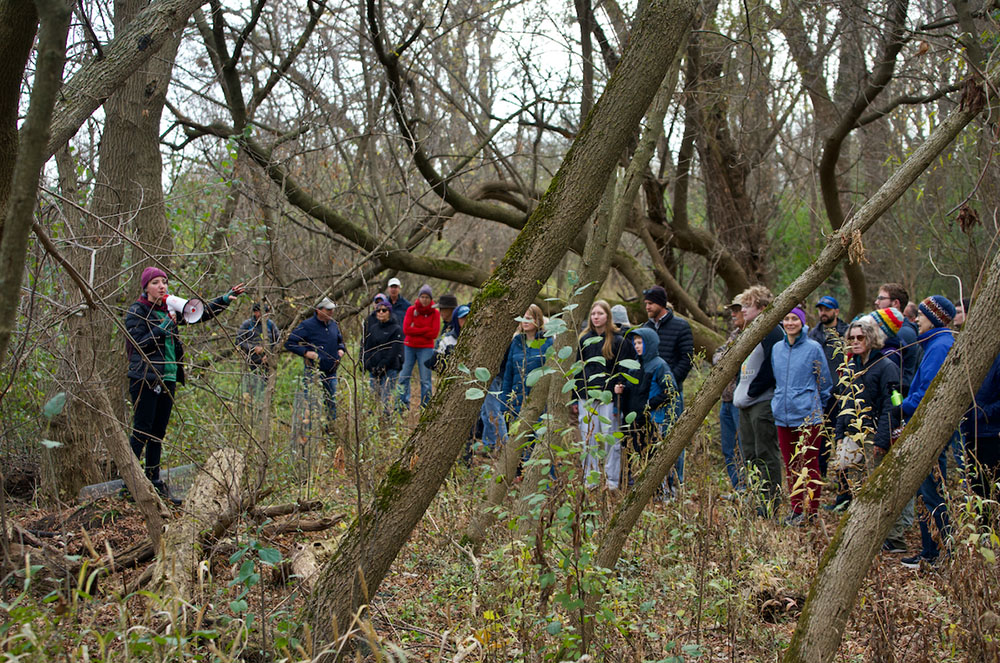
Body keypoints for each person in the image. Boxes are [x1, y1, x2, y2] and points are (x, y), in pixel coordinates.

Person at [125, 267, 244, 497]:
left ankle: (153, 480)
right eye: (156, 282)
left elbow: (198, 313)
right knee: (142, 430)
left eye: (164, 282)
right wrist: (164, 327)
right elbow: (139, 343)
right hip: (145, 377)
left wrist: (224, 299)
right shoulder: (137, 311)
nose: (162, 286)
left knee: (158, 433)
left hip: (168, 377)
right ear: (145, 287)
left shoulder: (169, 309)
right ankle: (129, 483)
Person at [900, 295, 956, 568]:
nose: (916, 319)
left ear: (933, 317)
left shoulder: (940, 346)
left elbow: (927, 393)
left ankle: (938, 552)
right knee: (926, 492)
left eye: (921, 315)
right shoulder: (933, 344)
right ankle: (931, 550)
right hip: (924, 427)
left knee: (931, 492)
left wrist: (902, 407)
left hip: (930, 430)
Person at [831, 316, 902, 532]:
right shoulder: (851, 366)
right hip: (852, 434)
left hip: (874, 435)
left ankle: (884, 532)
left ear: (870, 338)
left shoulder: (886, 365)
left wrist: (881, 439)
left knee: (875, 486)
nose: (855, 341)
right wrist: (840, 434)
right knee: (854, 483)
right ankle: (859, 528)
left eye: (860, 337)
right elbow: (845, 401)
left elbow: (894, 404)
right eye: (851, 337)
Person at [771, 307, 832, 526]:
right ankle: (797, 509)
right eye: (786, 318)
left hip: (808, 417)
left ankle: (811, 511)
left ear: (803, 322)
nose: (790, 323)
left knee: (810, 464)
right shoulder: (777, 348)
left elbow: (824, 382)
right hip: (782, 415)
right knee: (790, 465)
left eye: (794, 319)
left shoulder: (813, 348)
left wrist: (815, 407)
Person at [732, 285, 785, 517]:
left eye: (747, 305)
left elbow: (772, 366)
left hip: (761, 402)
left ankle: (770, 504)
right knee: (750, 454)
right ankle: (755, 501)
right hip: (744, 402)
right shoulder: (748, 331)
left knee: (765, 453)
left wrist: (753, 390)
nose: (742, 310)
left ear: (762, 308)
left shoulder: (772, 331)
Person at [615, 327, 683, 497]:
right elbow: (632, 389)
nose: (637, 346)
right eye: (635, 343)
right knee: (636, 454)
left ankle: (663, 492)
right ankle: (643, 491)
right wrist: (622, 390)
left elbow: (670, 391)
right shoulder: (634, 365)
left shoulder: (659, 365)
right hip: (634, 419)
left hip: (653, 419)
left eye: (640, 342)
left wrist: (649, 405)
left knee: (654, 456)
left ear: (650, 343)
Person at [571, 300, 631, 489]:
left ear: (608, 316)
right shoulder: (584, 339)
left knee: (610, 438)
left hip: (608, 397)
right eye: (594, 314)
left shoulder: (618, 341)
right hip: (586, 397)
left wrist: (619, 387)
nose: (596, 317)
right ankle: (591, 479)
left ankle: (612, 481)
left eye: (600, 314)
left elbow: (623, 370)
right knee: (588, 439)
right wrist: (575, 397)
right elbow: (578, 370)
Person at [642, 285, 693, 486]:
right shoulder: (645, 328)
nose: (647, 307)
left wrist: (669, 383)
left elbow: (686, 359)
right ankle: (655, 486)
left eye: (651, 303)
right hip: (650, 396)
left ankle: (674, 484)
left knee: (671, 441)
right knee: (651, 441)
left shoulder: (680, 326)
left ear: (661, 304)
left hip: (672, 396)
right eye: (646, 303)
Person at [285, 297, 347, 422]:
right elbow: (289, 343)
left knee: (331, 402)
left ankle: (330, 431)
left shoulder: (333, 324)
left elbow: (340, 341)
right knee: (311, 403)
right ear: (319, 310)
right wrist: (306, 352)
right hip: (313, 372)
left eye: (332, 309)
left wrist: (341, 350)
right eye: (328, 309)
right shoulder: (307, 325)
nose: (331, 312)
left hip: (331, 372)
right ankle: (310, 432)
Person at [809, 294, 848, 478]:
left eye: (827, 309)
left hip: (841, 394)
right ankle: (820, 475)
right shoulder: (813, 335)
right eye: (821, 309)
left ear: (836, 311)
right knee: (820, 438)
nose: (823, 313)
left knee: (841, 437)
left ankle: (844, 482)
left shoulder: (846, 333)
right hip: (820, 395)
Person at [713, 298, 745, 491]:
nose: (733, 314)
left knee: (742, 447)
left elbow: (737, 360)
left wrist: (728, 360)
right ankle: (738, 487)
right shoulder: (734, 334)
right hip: (726, 398)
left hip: (741, 401)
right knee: (728, 448)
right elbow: (718, 355)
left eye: (736, 310)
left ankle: (747, 487)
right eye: (731, 310)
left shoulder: (753, 334)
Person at [501, 304, 552, 417]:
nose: (525, 321)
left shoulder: (548, 342)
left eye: (529, 318)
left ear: (538, 320)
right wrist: (504, 403)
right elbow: (508, 375)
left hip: (539, 401)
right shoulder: (516, 342)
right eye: (523, 318)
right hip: (517, 400)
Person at [963, 351, 1000, 504]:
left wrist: (981, 412)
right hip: (972, 433)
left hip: (992, 436)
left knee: (991, 492)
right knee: (977, 491)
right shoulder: (974, 353)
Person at [398, 284, 440, 408]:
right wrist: (425, 329)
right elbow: (406, 329)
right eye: (422, 296)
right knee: (404, 377)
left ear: (430, 299)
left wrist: (415, 329)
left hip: (426, 348)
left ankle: (425, 407)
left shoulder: (435, 313)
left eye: (427, 297)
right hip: (409, 347)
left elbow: (434, 333)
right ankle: (401, 404)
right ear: (419, 297)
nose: (424, 299)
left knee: (425, 380)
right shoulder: (411, 310)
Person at [875, 283, 922, 395]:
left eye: (881, 298)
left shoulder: (904, 332)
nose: (876, 302)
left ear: (895, 303)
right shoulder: (888, 330)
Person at [362, 295, 404, 407]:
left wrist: (383, 365)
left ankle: (386, 422)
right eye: (378, 310)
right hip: (374, 369)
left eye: (384, 310)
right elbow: (368, 348)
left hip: (389, 369)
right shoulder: (373, 328)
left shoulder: (396, 329)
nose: (381, 312)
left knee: (386, 400)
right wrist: (369, 365)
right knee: (373, 400)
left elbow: (394, 351)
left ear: (389, 312)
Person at [236, 302, 280, 401]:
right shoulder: (247, 324)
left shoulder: (270, 325)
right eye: (262, 312)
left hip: (268, 362)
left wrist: (269, 354)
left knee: (267, 386)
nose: (265, 315)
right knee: (252, 386)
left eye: (267, 313)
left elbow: (278, 341)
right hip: (251, 362)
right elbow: (238, 341)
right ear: (256, 313)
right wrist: (253, 348)